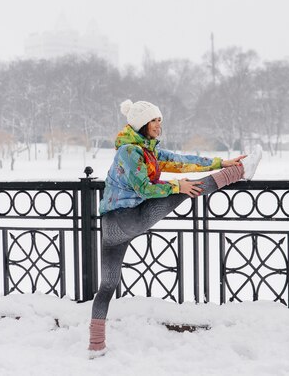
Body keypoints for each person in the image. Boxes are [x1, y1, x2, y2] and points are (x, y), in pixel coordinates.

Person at [88, 99, 262, 357]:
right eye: (155, 120)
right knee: (184, 189)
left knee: (108, 285)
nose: (159, 125)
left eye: (160, 120)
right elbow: (144, 188)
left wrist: (219, 162)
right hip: (126, 219)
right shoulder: (129, 152)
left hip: (114, 226)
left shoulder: (147, 150)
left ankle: (95, 345)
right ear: (142, 124)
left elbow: (181, 161)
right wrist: (176, 186)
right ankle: (239, 173)